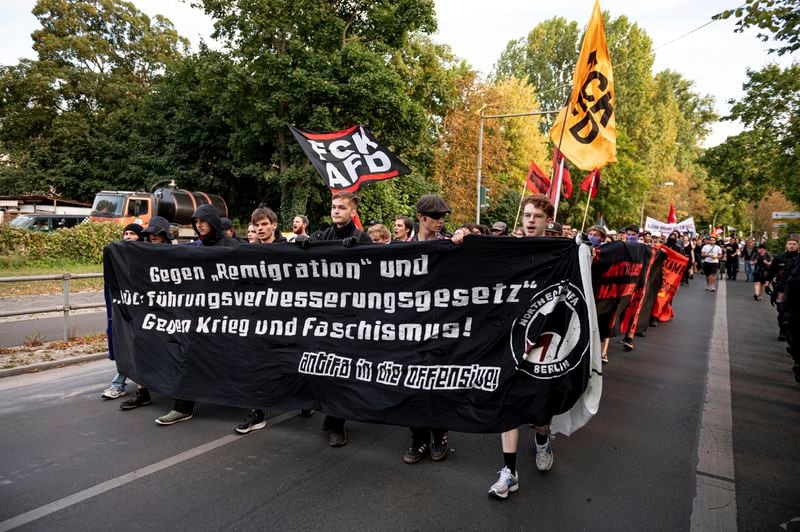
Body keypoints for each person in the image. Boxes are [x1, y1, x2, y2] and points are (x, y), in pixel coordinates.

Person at [488, 193, 556, 500]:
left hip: (543, 342)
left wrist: (585, 255)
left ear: (548, 221)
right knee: (508, 403)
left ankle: (542, 441)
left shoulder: (558, 252)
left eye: (537, 217)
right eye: (527, 215)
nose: (530, 221)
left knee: (541, 409)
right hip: (511, 338)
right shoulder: (508, 248)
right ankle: (509, 472)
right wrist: (462, 238)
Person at [155, 205, 239, 426]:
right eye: (195, 222)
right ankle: (182, 407)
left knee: (235, 359)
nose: (199, 225)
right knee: (190, 358)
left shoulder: (232, 246)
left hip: (226, 316)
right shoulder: (195, 247)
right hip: (199, 316)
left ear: (212, 221)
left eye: (203, 220)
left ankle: (252, 402)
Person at [311, 192, 372, 447]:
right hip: (325, 313)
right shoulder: (323, 236)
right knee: (323, 368)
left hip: (349, 316)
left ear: (352, 212)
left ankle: (337, 423)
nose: (336, 211)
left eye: (341, 208)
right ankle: (331, 413)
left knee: (342, 369)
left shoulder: (362, 238)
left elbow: (373, 275)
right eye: (334, 207)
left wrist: (356, 253)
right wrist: (303, 246)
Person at [401, 194, 453, 465]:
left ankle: (439, 435)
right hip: (410, 329)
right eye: (435, 216)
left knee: (437, 383)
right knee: (412, 385)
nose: (441, 221)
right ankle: (418, 438)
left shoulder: (450, 245)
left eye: (444, 216)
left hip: (441, 327)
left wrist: (466, 239)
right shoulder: (400, 249)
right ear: (420, 217)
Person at [118, 217, 174, 411]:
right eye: (150, 233)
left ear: (165, 235)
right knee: (142, 348)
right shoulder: (142, 253)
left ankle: (180, 396)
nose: (152, 236)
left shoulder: (178, 254)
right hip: (148, 310)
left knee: (173, 353)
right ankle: (143, 393)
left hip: (172, 313)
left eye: (156, 233)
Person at [101, 223, 143, 400]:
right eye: (125, 233)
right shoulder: (117, 255)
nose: (127, 236)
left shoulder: (145, 255)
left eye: (132, 233)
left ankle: (121, 384)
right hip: (124, 311)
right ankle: (119, 384)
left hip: (142, 311)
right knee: (126, 346)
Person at [768, 238, 799, 340]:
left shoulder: (798, 259)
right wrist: (767, 282)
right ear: (786, 245)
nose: (792, 246)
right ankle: (783, 331)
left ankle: (791, 332)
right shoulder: (779, 257)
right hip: (781, 288)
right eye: (790, 244)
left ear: (798, 246)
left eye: (794, 244)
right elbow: (772, 271)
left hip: (796, 288)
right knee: (782, 309)